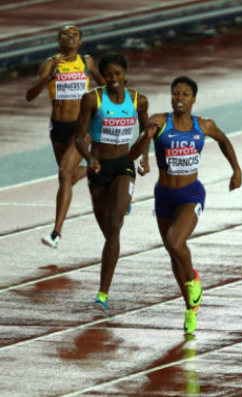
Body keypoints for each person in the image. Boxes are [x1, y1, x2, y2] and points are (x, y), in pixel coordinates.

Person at [129, 76, 242, 334]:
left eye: (185, 94)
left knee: (175, 241)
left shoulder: (204, 125)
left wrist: (236, 170)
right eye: (175, 93)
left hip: (191, 194)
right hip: (164, 195)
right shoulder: (159, 121)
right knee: (173, 252)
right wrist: (144, 139)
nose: (179, 98)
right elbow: (133, 154)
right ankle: (190, 309)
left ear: (194, 99)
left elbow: (224, 140)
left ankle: (193, 280)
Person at [75, 52, 150, 313]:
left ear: (125, 74)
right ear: (103, 77)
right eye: (108, 75)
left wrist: (145, 158)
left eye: (118, 74)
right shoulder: (91, 100)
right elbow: (78, 138)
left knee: (115, 225)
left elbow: (145, 131)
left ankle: (102, 295)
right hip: (99, 169)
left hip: (123, 165)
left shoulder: (138, 100)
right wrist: (88, 157)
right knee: (109, 232)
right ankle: (121, 207)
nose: (114, 79)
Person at [26, 25, 105, 248]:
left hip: (81, 127)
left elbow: (106, 86)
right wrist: (47, 79)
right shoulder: (50, 64)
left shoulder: (86, 62)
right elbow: (30, 96)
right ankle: (103, 168)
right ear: (58, 40)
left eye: (75, 34)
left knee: (64, 172)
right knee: (68, 177)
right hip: (58, 128)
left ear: (80, 41)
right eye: (65, 34)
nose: (70, 37)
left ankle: (56, 233)